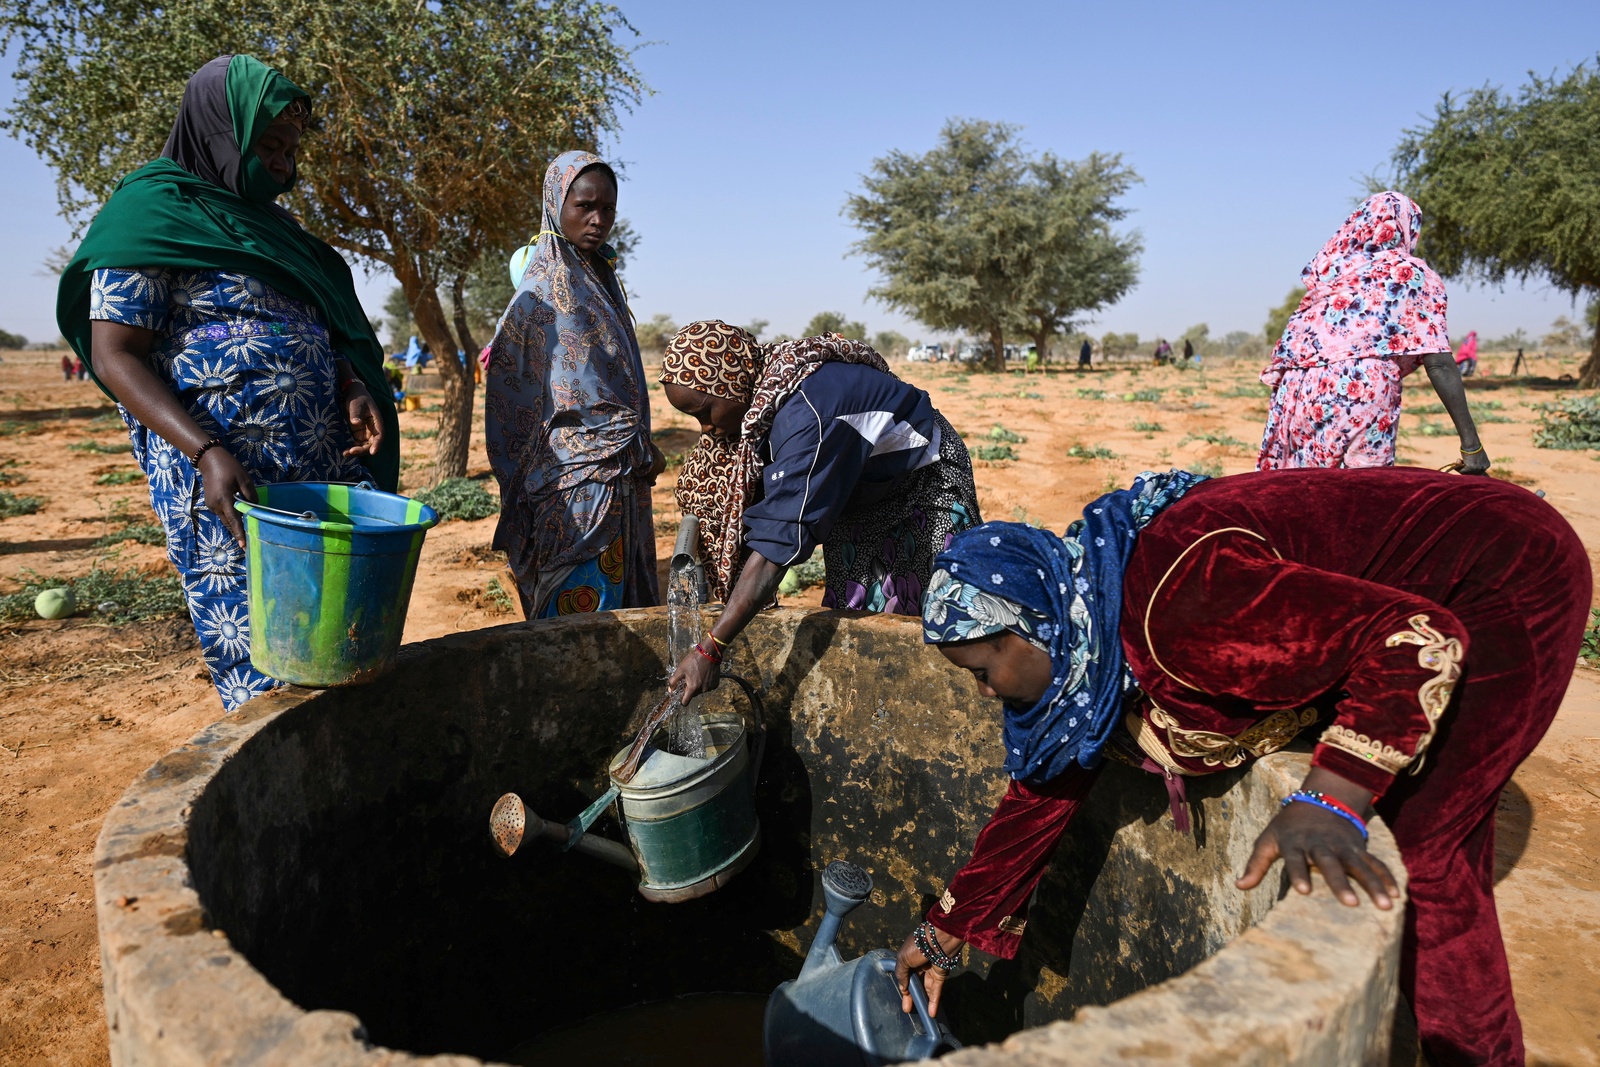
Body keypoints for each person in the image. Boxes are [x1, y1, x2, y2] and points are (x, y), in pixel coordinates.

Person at [895, 467, 1589, 1067]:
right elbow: (1046, 788)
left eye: (984, 670)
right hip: (1423, 594)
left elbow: (1412, 641)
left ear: (1034, 627)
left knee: (1428, 851)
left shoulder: (1181, 613)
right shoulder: (1090, 642)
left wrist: (1333, 796)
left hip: (1499, 577)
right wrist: (948, 926)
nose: (985, 693)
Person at [56, 55, 397, 711]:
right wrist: (207, 451)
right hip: (228, 479)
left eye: (291, 149)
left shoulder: (279, 231)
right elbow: (116, 353)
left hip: (319, 462)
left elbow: (321, 322)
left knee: (342, 633)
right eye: (268, 145)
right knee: (267, 655)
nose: (282, 163)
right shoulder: (150, 214)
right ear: (218, 132)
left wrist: (349, 381)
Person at [661, 325, 980, 701]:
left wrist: (711, 646)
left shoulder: (809, 418)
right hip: (858, 488)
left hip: (922, 480)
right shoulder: (771, 387)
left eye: (705, 412)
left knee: (939, 610)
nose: (708, 428)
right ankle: (879, 702)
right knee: (857, 606)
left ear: (732, 382)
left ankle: (946, 702)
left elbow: (777, 546)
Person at [484, 151, 664, 619]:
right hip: (574, 487)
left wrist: (636, 442)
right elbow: (511, 396)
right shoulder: (538, 295)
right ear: (556, 204)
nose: (598, 219)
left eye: (608, 209)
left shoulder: (600, 284)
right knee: (582, 617)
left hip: (621, 476)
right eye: (584, 206)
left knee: (624, 613)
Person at [1258, 192, 1488, 473]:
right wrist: (1471, 445)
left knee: (1306, 489)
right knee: (1364, 493)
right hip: (1362, 387)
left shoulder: (1336, 269)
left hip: (1299, 388)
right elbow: (1438, 363)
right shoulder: (1411, 273)